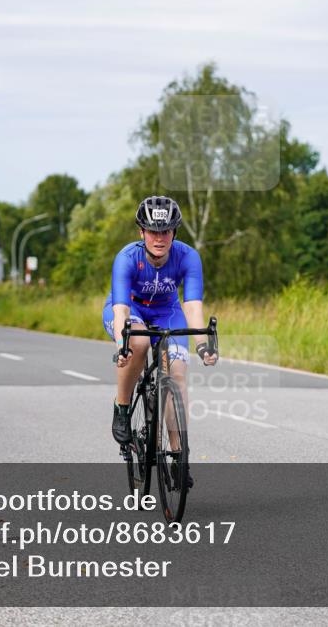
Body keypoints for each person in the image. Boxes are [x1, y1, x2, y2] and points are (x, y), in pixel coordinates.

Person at [102, 196, 218, 488]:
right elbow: (121, 311)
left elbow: (192, 307)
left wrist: (203, 345)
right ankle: (123, 407)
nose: (159, 237)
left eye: (165, 231)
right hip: (131, 307)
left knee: (176, 373)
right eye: (153, 231)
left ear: (174, 232)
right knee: (138, 346)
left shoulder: (188, 257)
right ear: (141, 232)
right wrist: (122, 345)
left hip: (168, 311)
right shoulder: (127, 258)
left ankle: (179, 455)